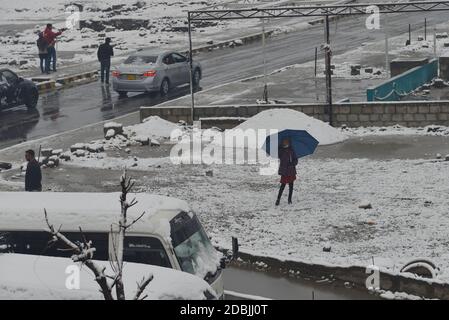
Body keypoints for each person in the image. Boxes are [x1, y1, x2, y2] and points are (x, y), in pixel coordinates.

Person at [275, 138, 298, 206]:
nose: (285, 143)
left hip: (291, 170)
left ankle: (289, 199)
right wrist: (280, 147)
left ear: (289, 142)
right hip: (284, 171)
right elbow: (278, 155)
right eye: (284, 142)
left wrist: (293, 163)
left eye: (287, 142)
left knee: (291, 186)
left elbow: (295, 159)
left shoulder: (292, 150)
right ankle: (278, 199)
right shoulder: (281, 151)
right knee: (283, 186)